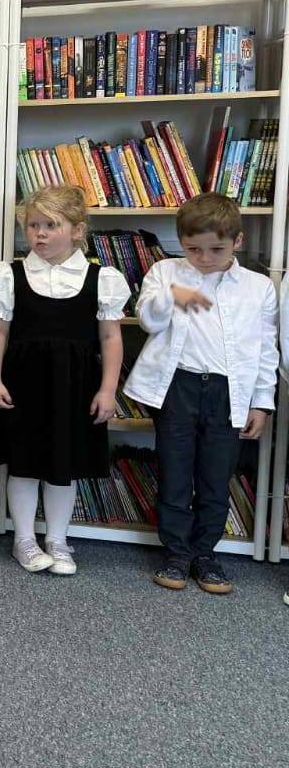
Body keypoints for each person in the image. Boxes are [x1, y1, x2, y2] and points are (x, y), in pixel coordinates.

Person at [125, 194, 275, 594]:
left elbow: (266, 349)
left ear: (238, 241)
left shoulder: (258, 287)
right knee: (174, 472)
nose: (204, 258)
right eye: (193, 249)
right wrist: (174, 295)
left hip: (229, 392)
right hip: (179, 387)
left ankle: (205, 554)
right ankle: (176, 554)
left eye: (216, 249)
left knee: (215, 477)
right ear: (181, 243)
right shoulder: (165, 272)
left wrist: (262, 402)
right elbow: (147, 319)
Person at [0, 185, 127, 576]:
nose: (40, 234)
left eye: (51, 225)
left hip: (75, 384)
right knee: (23, 463)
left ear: (77, 230)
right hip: (23, 381)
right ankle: (24, 540)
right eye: (33, 226)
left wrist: (108, 389)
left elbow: (110, 338)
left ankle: (58, 540)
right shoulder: (10, 275)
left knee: (64, 464)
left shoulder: (101, 278)